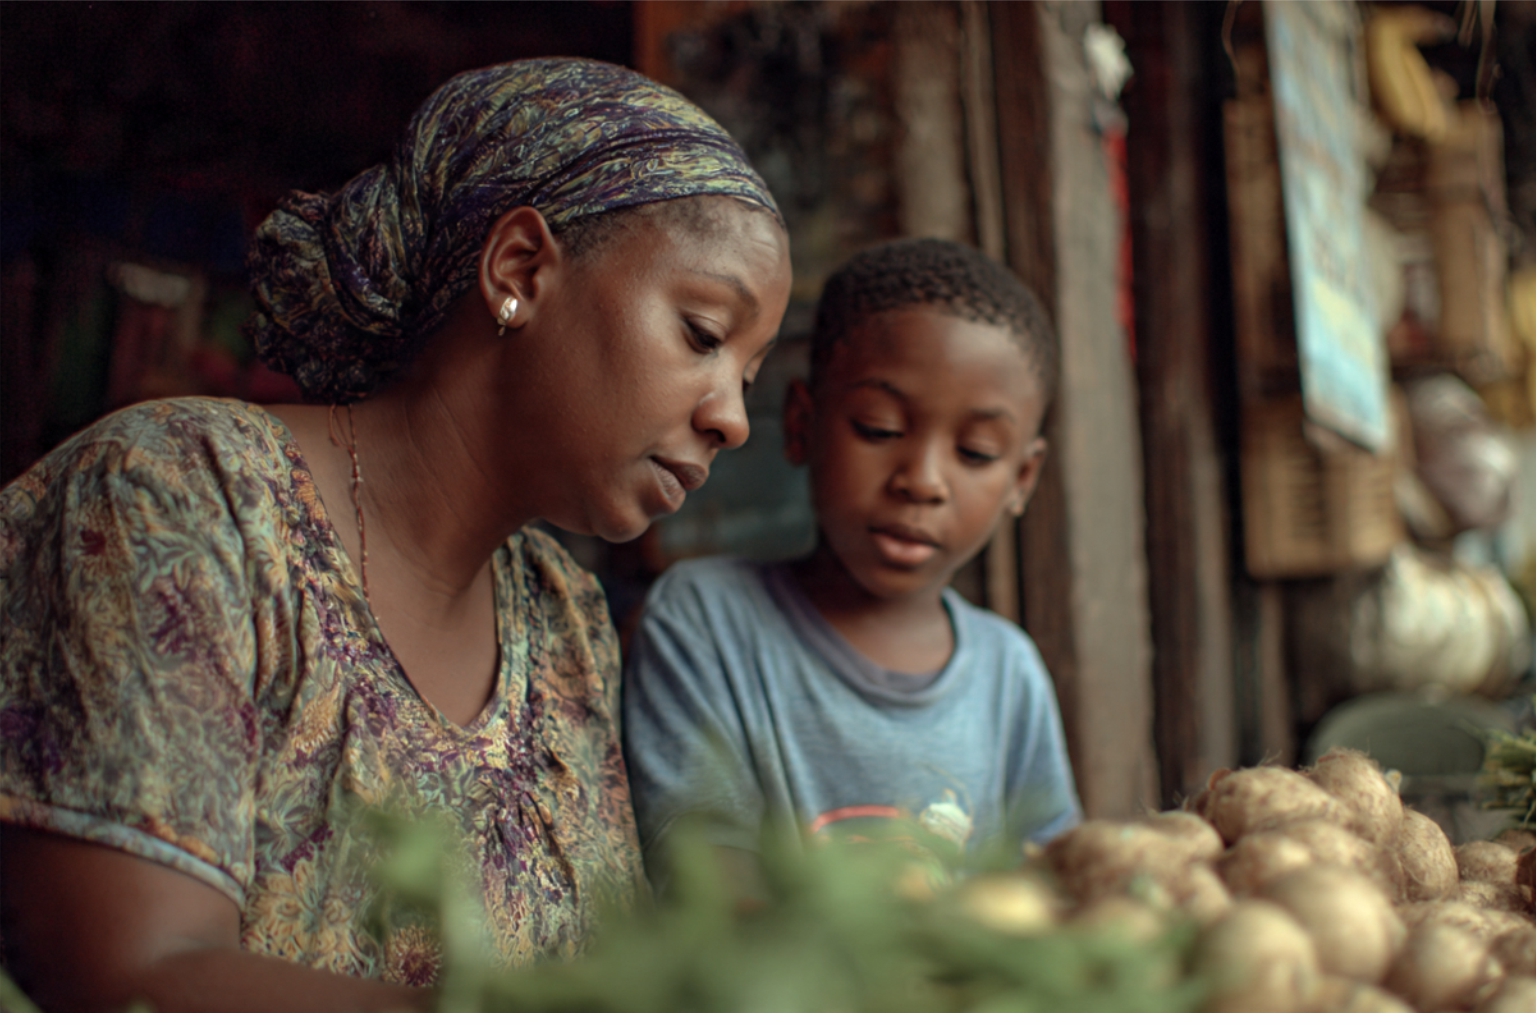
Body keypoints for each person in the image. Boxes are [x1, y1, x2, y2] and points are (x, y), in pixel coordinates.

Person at [0, 58, 791, 1011]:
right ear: (521, 271)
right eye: (704, 334)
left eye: (748, 375)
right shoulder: (178, 494)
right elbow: (133, 976)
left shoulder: (564, 616)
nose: (731, 419)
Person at [622, 238, 1080, 894]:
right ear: (802, 424)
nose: (921, 481)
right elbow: (705, 880)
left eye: (975, 452)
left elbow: (1055, 886)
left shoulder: (1009, 676)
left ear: (1022, 477)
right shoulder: (705, 622)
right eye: (879, 428)